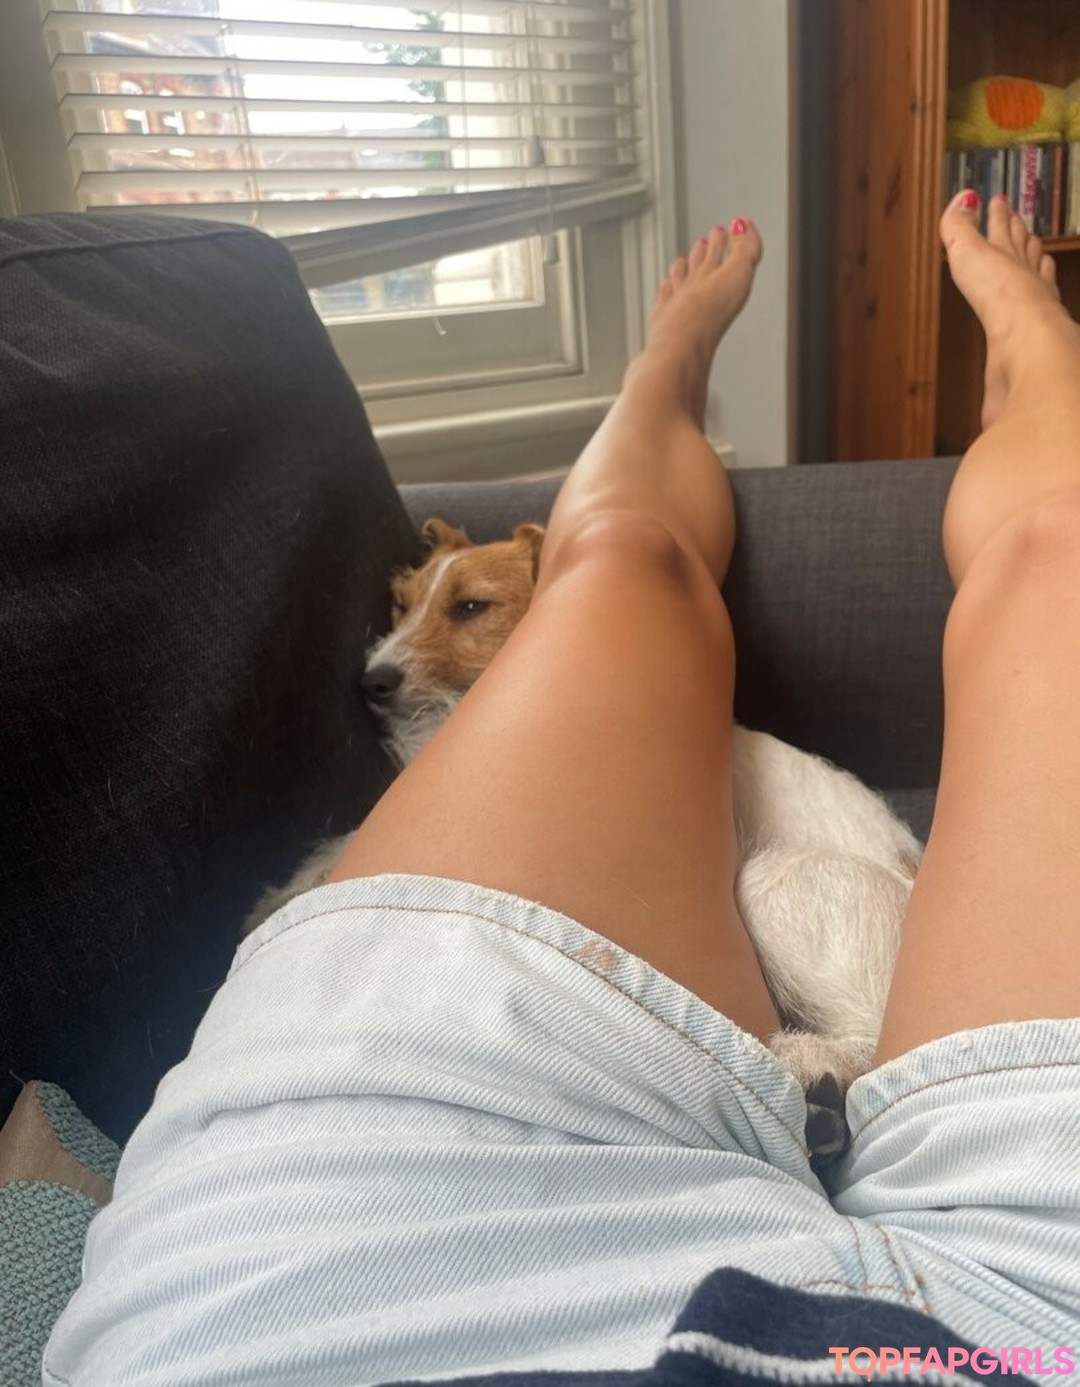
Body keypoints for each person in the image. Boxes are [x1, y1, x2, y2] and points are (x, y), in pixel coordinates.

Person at [44, 193, 1080, 1385]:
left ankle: (674, 372)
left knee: (626, 554)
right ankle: (1029, 364)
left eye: (469, 608)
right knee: (1055, 541)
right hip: (1040, 1280)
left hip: (326, 1231)